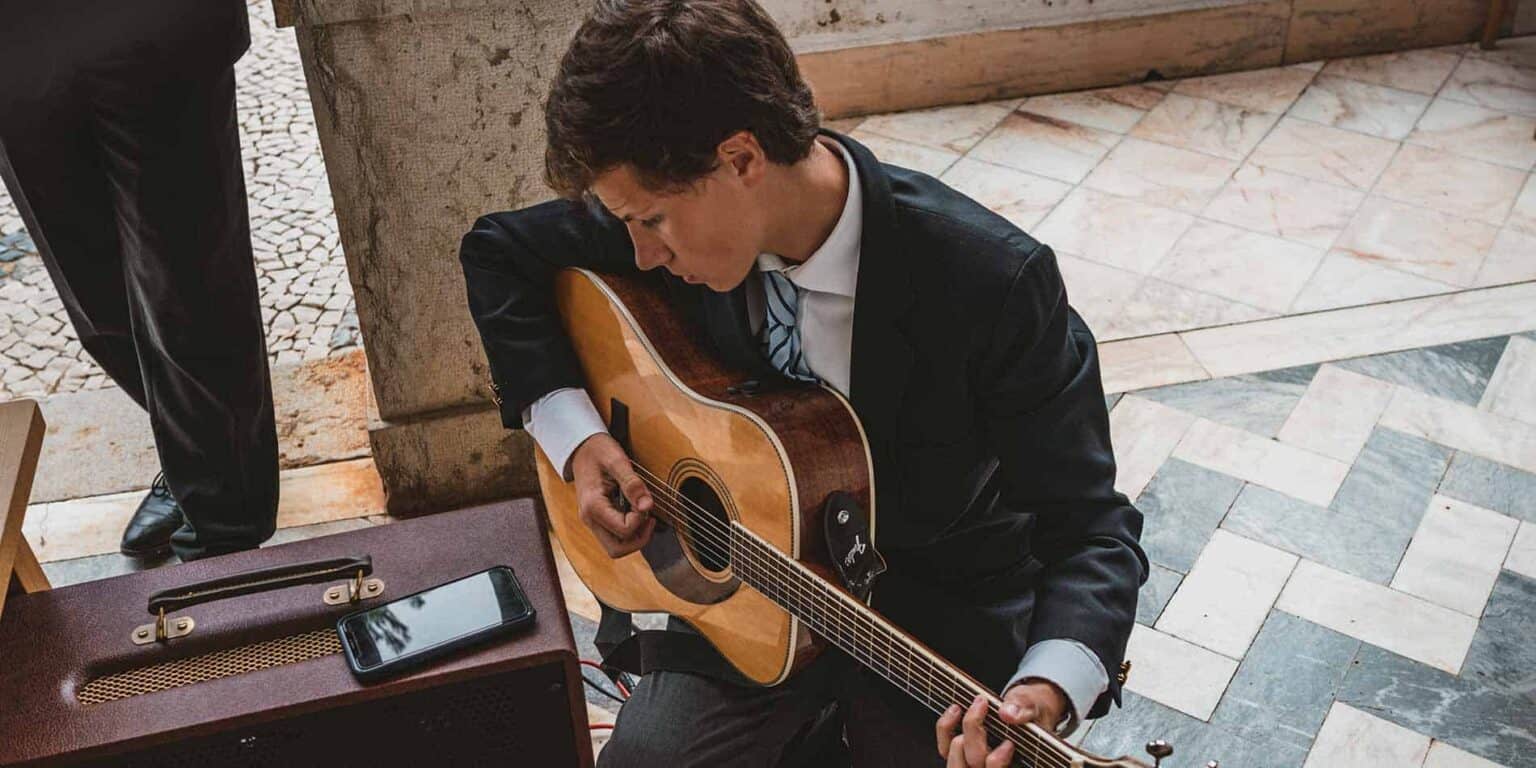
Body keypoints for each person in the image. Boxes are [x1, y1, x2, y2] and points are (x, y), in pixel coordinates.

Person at [460, 1, 1147, 765]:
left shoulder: (993, 282)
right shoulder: (673, 215)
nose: (641, 254)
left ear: (743, 160)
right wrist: (578, 440)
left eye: (651, 222)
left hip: (929, 635)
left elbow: (1090, 529)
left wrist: (1044, 691)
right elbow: (497, 253)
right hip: (741, 605)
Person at [0, 0, 279, 561]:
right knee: (95, 299)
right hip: (13, 44)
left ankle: (225, 533)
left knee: (189, 286)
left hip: (150, 22)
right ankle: (198, 461)